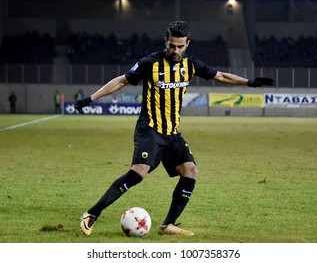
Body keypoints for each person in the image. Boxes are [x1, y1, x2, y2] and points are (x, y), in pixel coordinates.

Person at [74, 21, 273, 236]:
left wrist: (250, 83)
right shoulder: (150, 63)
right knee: (139, 172)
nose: (175, 50)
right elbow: (121, 81)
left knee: (190, 170)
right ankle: (92, 214)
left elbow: (221, 76)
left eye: (180, 46)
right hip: (149, 129)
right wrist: (90, 99)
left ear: (187, 44)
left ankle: (168, 224)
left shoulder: (191, 65)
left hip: (172, 132)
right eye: (171, 46)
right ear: (165, 42)